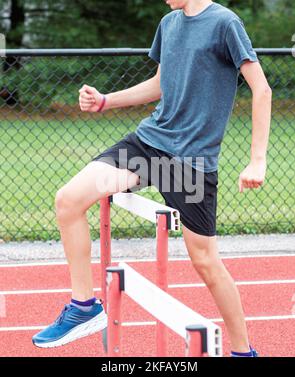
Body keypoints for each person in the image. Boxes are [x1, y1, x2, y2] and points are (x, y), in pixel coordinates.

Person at [33, 0, 272, 357]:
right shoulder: (169, 23)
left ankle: (242, 351)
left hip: (189, 162)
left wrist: (257, 161)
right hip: (148, 146)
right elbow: (161, 83)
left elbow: (262, 89)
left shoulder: (226, 23)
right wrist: (105, 101)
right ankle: (84, 307)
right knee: (68, 199)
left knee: (205, 261)